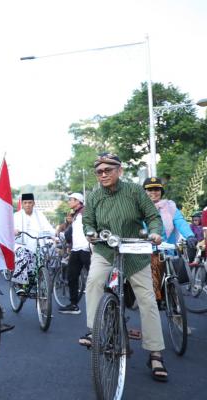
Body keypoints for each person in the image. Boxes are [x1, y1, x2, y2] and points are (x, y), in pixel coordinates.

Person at [81, 153, 168, 382]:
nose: (103, 175)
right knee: (93, 282)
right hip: (106, 249)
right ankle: (95, 331)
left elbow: (152, 216)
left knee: (147, 299)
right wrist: (90, 232)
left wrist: (155, 231)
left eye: (108, 170)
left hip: (135, 250)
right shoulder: (94, 196)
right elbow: (88, 220)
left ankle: (155, 353)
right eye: (99, 171)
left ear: (119, 170)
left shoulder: (134, 191)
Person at [143, 177, 197, 305]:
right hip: (146, 250)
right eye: (149, 189)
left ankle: (172, 292)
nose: (153, 192)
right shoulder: (139, 208)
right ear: (144, 192)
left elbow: (180, 222)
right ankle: (154, 300)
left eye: (157, 189)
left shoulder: (170, 207)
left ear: (161, 191)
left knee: (175, 271)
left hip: (168, 250)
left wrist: (190, 236)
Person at [12, 193, 54, 294]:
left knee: (48, 253)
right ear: (22, 204)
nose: (27, 205)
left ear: (34, 203)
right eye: (25, 203)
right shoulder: (17, 216)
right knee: (24, 255)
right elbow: (10, 229)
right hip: (21, 244)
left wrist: (53, 235)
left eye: (30, 202)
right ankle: (21, 285)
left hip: (37, 243)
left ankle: (42, 279)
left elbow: (48, 228)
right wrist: (14, 230)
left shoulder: (39, 215)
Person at [58, 193, 90, 315]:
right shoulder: (75, 214)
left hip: (87, 249)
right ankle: (73, 305)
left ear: (78, 201)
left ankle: (105, 304)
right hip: (76, 250)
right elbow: (71, 233)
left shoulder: (85, 212)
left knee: (94, 279)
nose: (69, 202)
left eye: (71, 200)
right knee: (72, 277)